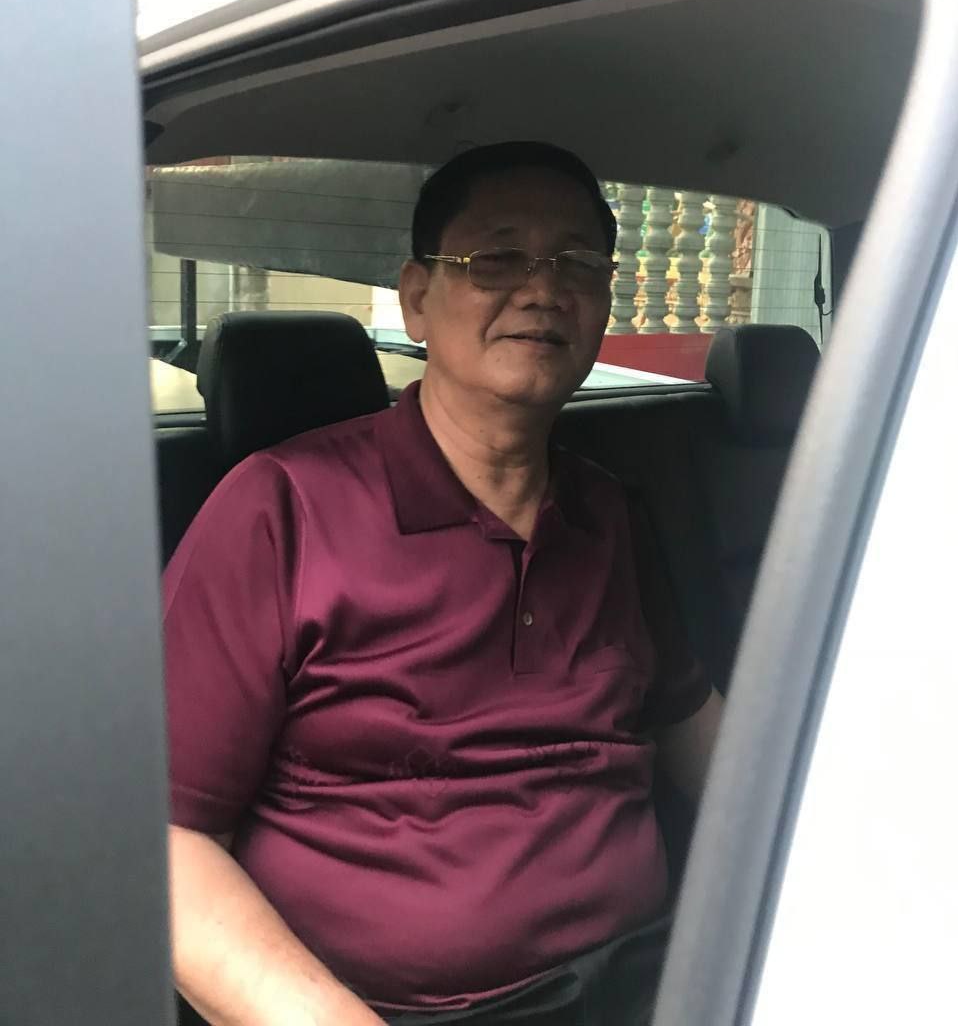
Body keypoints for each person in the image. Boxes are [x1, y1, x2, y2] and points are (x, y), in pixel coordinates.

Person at [164, 141, 723, 1026]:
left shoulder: (614, 514)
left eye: (578, 262)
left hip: (653, 979)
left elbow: (707, 742)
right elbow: (167, 840)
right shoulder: (280, 508)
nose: (544, 289)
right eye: (497, 258)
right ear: (417, 300)